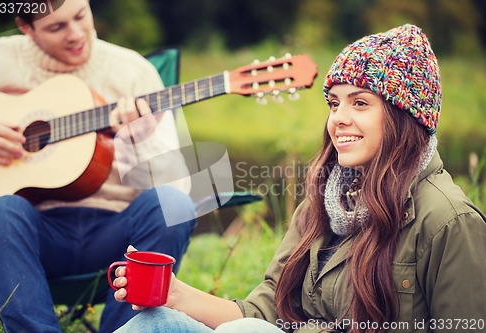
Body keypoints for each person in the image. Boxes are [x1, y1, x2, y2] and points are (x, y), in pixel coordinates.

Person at [112, 24, 486, 333]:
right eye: (334, 103)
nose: (338, 118)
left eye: (359, 103)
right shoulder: (327, 199)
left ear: (405, 118)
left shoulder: (449, 221)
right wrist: (174, 294)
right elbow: (266, 311)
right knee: (156, 322)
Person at [0, 0, 196, 332]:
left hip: (119, 235)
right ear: (26, 27)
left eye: (81, 16)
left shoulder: (133, 71)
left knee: (173, 204)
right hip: (34, 236)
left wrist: (140, 141)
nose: (76, 34)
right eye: (56, 27)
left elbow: (178, 185)